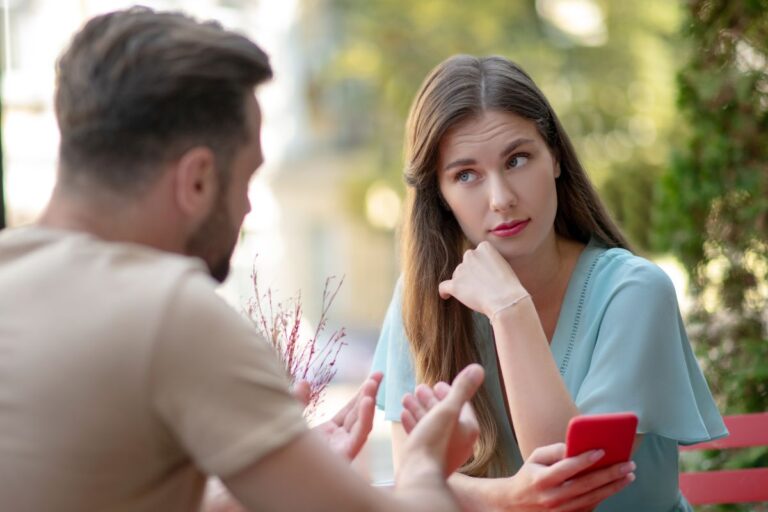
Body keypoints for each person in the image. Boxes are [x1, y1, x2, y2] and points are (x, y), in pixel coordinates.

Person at [0, 8, 488, 511]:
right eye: (247, 179)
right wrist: (426, 462)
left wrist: (259, 476)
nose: (249, 206)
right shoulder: (171, 312)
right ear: (197, 180)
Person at [371, 54, 728, 511]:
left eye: (517, 160)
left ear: (555, 157)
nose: (501, 199)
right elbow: (415, 480)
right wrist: (510, 496)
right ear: (439, 196)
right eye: (466, 175)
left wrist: (509, 308)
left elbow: (571, 481)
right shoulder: (422, 299)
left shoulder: (635, 292)